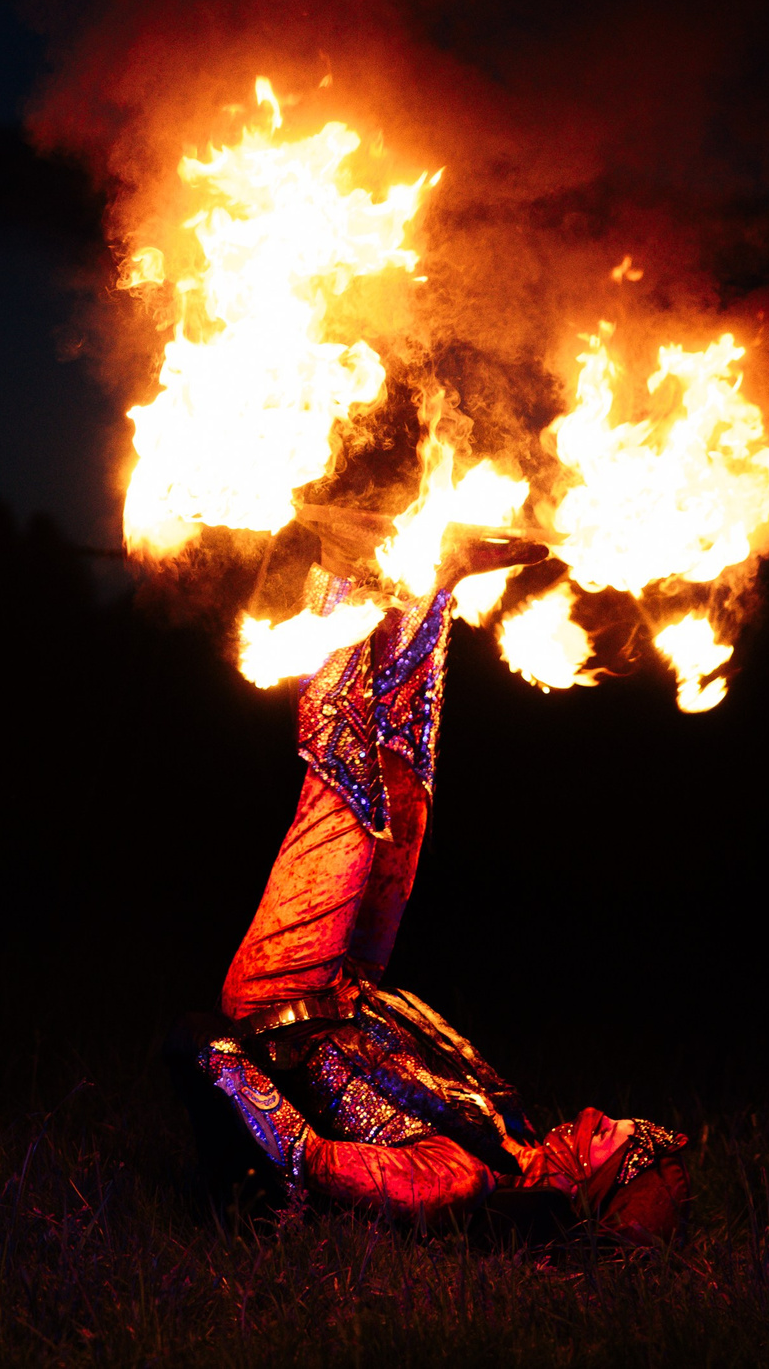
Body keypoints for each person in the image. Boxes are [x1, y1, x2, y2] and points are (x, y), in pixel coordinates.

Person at [190, 525, 691, 1242]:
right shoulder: (512, 1130)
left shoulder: (457, 1180)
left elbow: (311, 1160)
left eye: (608, 1135)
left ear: (587, 1183)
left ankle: (344, 567)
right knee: (404, 796)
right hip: (353, 987)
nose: (595, 1115)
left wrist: (223, 1061)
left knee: (346, 799)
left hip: (285, 1001)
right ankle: (431, 581)